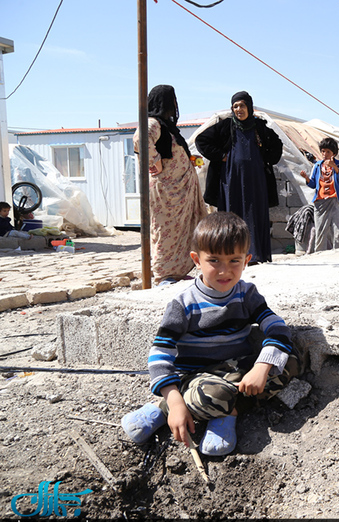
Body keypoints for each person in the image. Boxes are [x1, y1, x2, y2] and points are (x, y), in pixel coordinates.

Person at [120, 211, 300, 456]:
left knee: (290, 362)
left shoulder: (247, 294)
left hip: (236, 371)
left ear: (247, 260)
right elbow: (160, 355)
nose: (225, 271)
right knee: (216, 392)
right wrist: (173, 402)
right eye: (214, 260)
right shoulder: (184, 304)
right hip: (196, 378)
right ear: (197, 259)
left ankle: (224, 408)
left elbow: (277, 327)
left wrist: (262, 366)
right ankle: (166, 409)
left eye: (234, 261)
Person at [195, 91, 283, 264]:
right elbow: (201, 140)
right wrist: (221, 155)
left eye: (242, 105)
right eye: (235, 106)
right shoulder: (226, 126)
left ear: (249, 107)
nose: (239, 109)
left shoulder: (259, 127)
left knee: (254, 213)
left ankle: (255, 254)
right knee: (232, 214)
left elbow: (277, 144)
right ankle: (232, 254)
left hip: (256, 180)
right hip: (231, 180)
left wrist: (267, 159)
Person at [134, 85, 207, 285]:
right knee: (165, 231)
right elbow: (141, 140)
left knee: (182, 230)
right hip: (167, 193)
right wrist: (154, 160)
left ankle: (176, 272)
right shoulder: (152, 123)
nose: (175, 106)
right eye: (172, 101)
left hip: (180, 191)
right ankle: (164, 275)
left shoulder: (166, 127)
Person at [300, 137, 339, 252]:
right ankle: (320, 254)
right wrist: (306, 178)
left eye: (328, 152)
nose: (325, 154)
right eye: (323, 151)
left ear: (334, 153)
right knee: (320, 230)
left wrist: (334, 167)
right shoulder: (317, 166)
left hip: (336, 201)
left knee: (338, 230)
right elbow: (312, 184)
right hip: (320, 202)